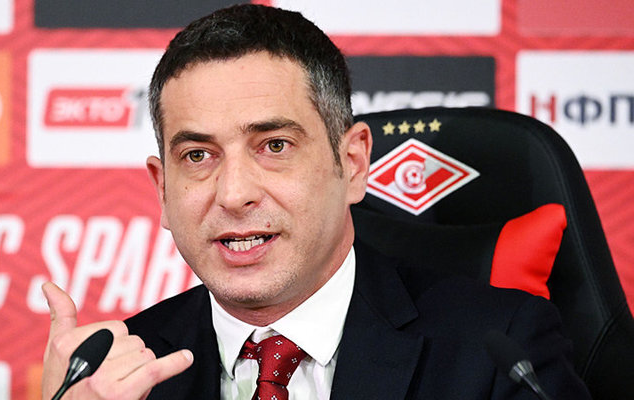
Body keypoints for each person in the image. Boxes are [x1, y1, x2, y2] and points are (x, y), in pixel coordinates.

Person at [40, 4, 591, 400]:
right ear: (162, 189)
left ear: (352, 164)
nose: (234, 194)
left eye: (274, 146)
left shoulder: (499, 351)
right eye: (198, 156)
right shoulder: (117, 375)